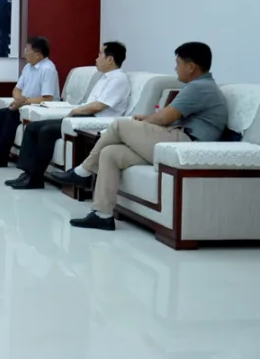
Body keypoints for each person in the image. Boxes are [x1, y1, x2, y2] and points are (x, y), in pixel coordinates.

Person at [50, 42, 228, 230]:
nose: (175, 68)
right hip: (177, 140)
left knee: (120, 125)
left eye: (178, 63)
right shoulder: (201, 86)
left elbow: (165, 117)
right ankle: (102, 215)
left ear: (191, 67)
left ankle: (83, 171)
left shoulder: (199, 87)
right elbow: (167, 117)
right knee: (110, 153)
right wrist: (146, 120)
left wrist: (144, 123)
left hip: (187, 143)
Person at [6, 42, 131, 190]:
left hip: (94, 120)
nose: (96, 58)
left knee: (46, 131)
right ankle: (27, 173)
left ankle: (35, 178)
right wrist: (76, 111)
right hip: (83, 116)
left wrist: (76, 111)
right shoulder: (104, 77)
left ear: (110, 59)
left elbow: (99, 106)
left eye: (100, 55)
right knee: (33, 127)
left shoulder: (118, 79)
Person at [0, 36, 60, 168]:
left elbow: (48, 98)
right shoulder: (28, 67)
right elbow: (17, 89)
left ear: (38, 55)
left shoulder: (48, 69)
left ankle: (0, 157)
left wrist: (24, 101)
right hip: (26, 105)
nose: (24, 53)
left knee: (10, 115)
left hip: (42, 107)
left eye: (27, 50)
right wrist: (19, 100)